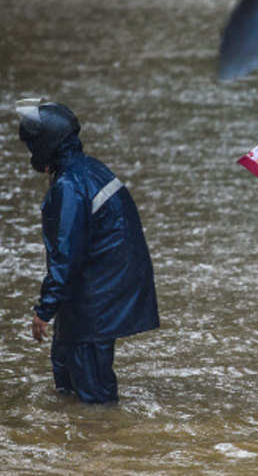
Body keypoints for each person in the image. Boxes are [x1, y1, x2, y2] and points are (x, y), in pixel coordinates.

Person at [16, 99, 160, 404]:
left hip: (96, 297)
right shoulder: (89, 168)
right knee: (66, 369)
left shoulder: (69, 185)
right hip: (99, 287)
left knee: (94, 392)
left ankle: (101, 441)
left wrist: (45, 309)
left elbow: (66, 253)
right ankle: (80, 437)